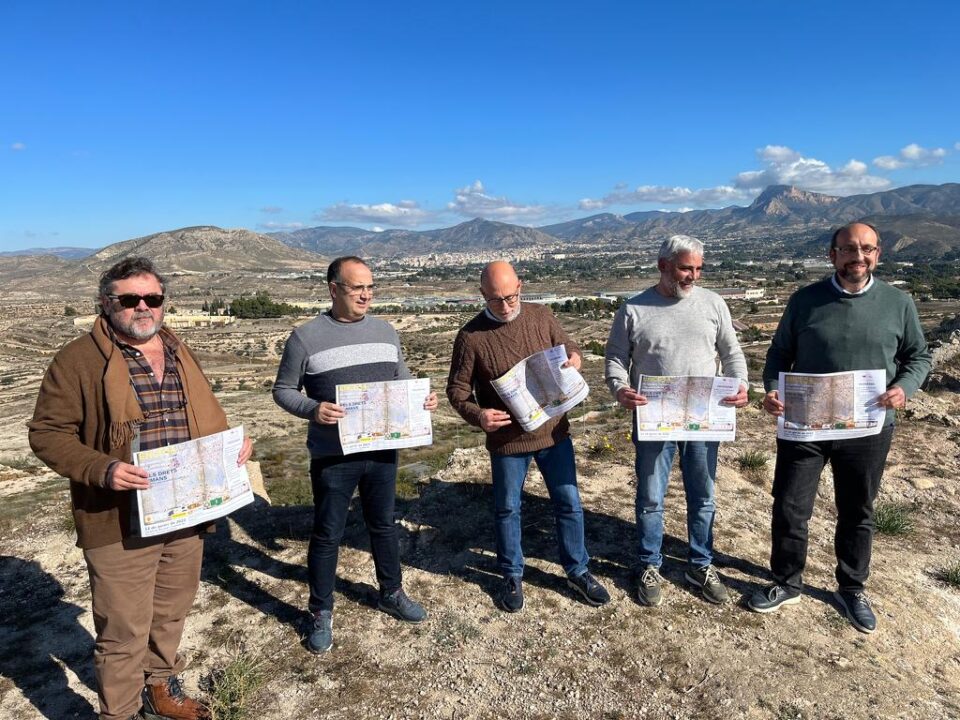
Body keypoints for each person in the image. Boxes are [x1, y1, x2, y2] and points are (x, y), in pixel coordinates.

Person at [29, 257, 253, 720]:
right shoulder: (77, 360)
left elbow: (204, 416)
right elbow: (47, 434)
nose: (143, 307)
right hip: (118, 519)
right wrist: (102, 468)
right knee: (122, 631)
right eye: (130, 299)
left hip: (185, 510)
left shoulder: (178, 349)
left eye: (153, 298)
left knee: (170, 613)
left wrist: (232, 445)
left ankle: (159, 690)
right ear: (105, 303)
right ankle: (120, 713)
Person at [748, 222, 931, 633]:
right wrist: (773, 389)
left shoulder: (898, 303)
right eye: (848, 249)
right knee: (790, 506)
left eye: (866, 249)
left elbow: (918, 357)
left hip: (868, 428)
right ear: (832, 255)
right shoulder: (804, 301)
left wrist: (904, 388)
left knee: (857, 510)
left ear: (878, 254)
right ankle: (786, 581)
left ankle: (851, 588)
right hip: (806, 427)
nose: (858, 257)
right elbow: (779, 354)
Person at [273, 255, 437, 654]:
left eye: (370, 287)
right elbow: (283, 390)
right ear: (334, 290)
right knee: (328, 533)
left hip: (382, 449)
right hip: (333, 455)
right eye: (357, 287)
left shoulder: (386, 331)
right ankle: (320, 611)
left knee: (383, 524)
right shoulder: (305, 337)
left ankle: (391, 592)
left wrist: (421, 399)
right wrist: (313, 409)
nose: (366, 295)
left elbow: (400, 378)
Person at [445, 260, 610, 612]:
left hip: (554, 431)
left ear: (520, 286)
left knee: (569, 503)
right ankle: (511, 574)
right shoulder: (470, 337)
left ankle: (578, 570)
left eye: (511, 297)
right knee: (507, 509)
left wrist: (575, 357)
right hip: (508, 441)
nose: (505, 306)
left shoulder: (541, 315)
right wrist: (478, 415)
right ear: (482, 295)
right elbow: (457, 391)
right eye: (495, 300)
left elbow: (568, 344)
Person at [605, 235, 749, 607]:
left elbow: (731, 352)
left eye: (698, 269)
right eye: (686, 268)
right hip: (653, 419)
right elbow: (616, 359)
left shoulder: (713, 303)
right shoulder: (633, 309)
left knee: (703, 495)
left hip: (703, 417)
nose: (693, 276)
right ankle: (649, 564)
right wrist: (620, 389)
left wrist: (741, 384)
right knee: (651, 496)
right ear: (663, 265)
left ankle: (700, 564)